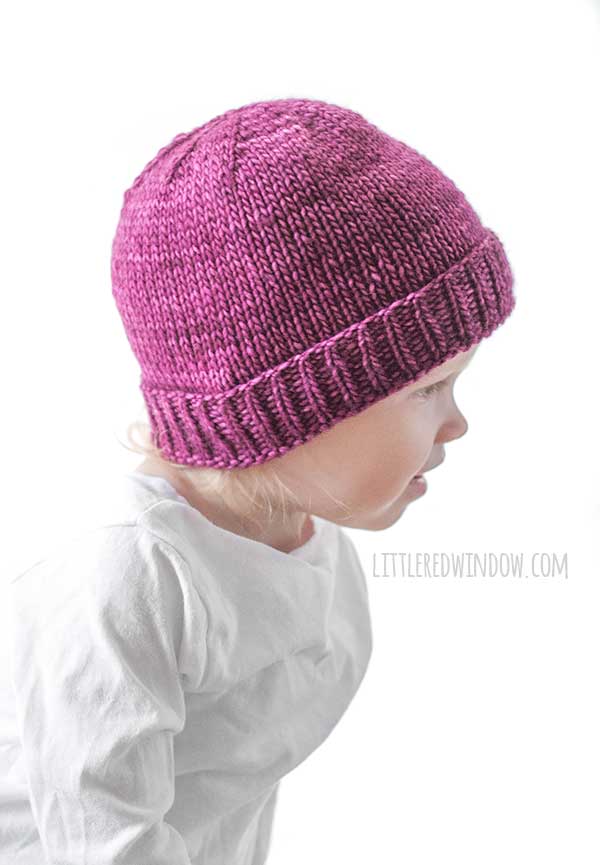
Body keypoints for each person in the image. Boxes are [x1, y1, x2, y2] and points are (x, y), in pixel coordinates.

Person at [2, 97, 516, 864]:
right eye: (427, 389)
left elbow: (225, 791)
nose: (457, 424)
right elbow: (104, 843)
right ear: (291, 408)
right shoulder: (126, 582)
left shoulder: (307, 539)